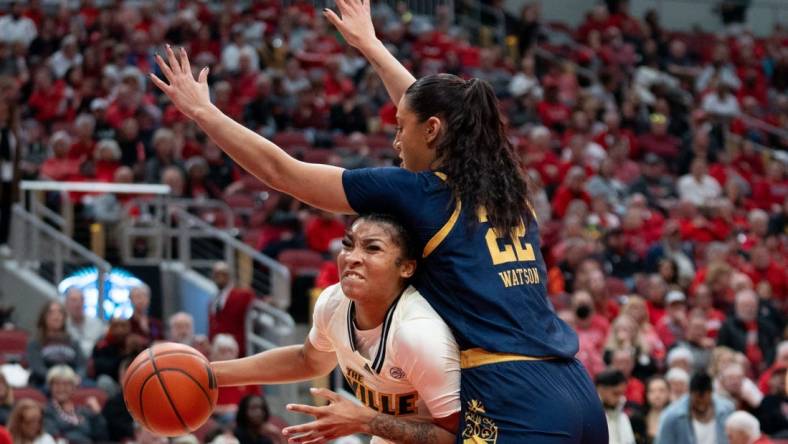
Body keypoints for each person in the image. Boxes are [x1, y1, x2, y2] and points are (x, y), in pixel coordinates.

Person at [151, 0, 607, 440]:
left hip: (513, 395)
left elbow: (282, 173)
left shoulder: (420, 195)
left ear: (431, 131)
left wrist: (202, 112)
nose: (395, 142)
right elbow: (432, 110)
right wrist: (370, 46)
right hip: (575, 388)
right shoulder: (507, 191)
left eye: (399, 127)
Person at [212, 215, 461, 443]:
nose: (351, 257)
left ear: (406, 267)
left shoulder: (418, 333)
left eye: (372, 248)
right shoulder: (333, 303)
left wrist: (365, 421)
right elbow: (307, 361)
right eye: (348, 244)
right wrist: (209, 374)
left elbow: (458, 435)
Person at [656, 372, 735, 444]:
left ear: (711, 393)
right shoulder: (671, 416)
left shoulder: (727, 410)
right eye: (697, 401)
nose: (701, 405)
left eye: (705, 401)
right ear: (689, 393)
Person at [26, 300, 86, 387]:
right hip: (45, 383)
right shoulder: (35, 342)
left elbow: (82, 365)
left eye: (60, 313)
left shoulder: (72, 342)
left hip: (72, 382)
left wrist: (78, 377)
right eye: (51, 313)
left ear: (64, 317)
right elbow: (37, 368)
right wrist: (57, 379)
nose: (56, 316)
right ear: (44, 317)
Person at [209, 261, 254, 355]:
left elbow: (252, 298)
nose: (220, 278)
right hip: (217, 349)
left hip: (234, 349)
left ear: (229, 276)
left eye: (223, 274)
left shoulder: (240, 296)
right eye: (217, 274)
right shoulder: (212, 301)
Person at [595, 369, 636, 444]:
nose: (621, 398)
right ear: (601, 389)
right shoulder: (591, 416)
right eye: (616, 393)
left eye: (622, 393)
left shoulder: (624, 415)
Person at [63, 286, 106, 358]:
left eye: (81, 300)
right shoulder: (62, 326)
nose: (77, 304)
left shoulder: (97, 324)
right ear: (66, 303)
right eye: (73, 300)